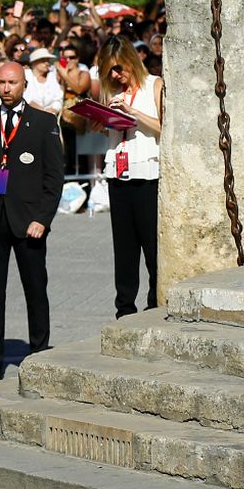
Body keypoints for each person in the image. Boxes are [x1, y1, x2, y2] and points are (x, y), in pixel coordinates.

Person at [0, 62, 64, 382]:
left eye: (12, 83)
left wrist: (42, 218)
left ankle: (39, 352)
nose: (6, 89)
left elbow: (54, 177)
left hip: (29, 222)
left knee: (35, 289)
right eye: (1, 83)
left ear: (24, 84)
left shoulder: (42, 122)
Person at [94, 37, 162, 316]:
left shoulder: (154, 85)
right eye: (109, 70)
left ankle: (156, 300)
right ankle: (124, 306)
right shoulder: (112, 90)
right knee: (124, 246)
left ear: (132, 61)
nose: (115, 75)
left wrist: (133, 113)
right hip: (119, 173)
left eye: (119, 68)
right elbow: (103, 130)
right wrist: (101, 118)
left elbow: (164, 127)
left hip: (147, 173)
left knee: (151, 243)